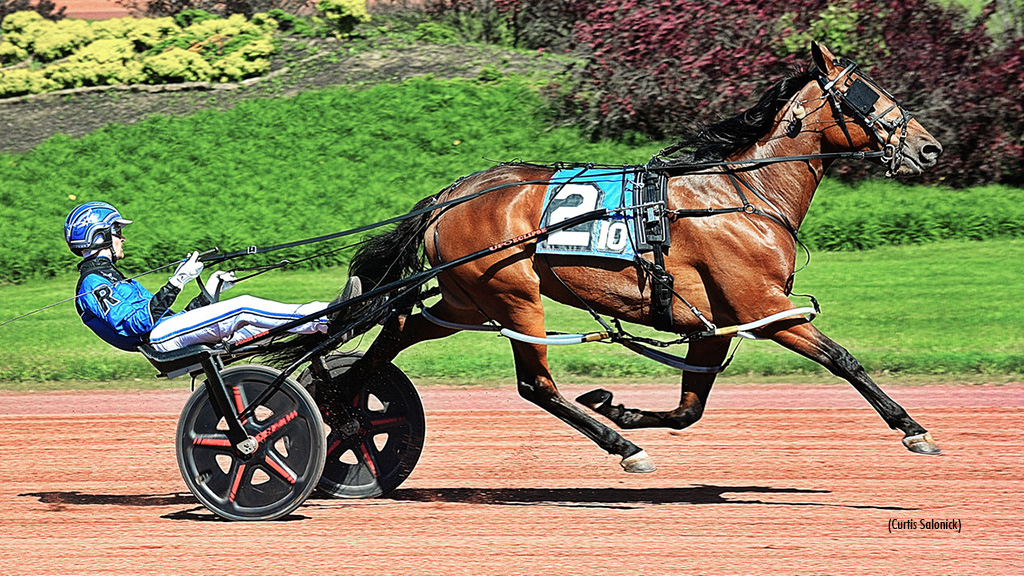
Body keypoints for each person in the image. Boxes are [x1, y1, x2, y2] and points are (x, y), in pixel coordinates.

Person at [65, 201, 359, 353]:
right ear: (99, 236)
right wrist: (176, 282)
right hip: (158, 341)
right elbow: (134, 324)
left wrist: (211, 289)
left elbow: (175, 317)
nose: (122, 237)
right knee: (242, 307)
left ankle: (330, 327)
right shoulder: (93, 284)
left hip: (166, 332)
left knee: (255, 327)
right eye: (117, 231)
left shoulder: (110, 278)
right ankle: (326, 317)